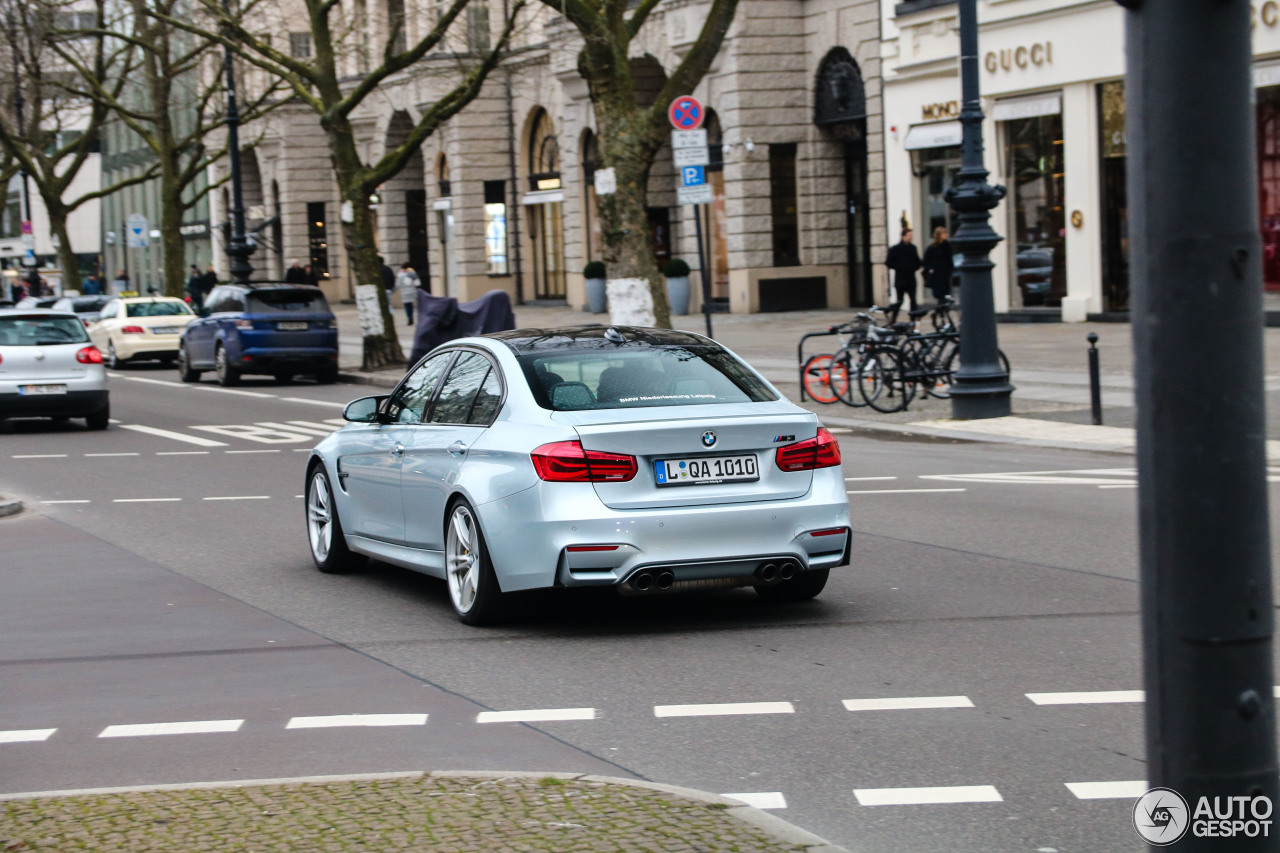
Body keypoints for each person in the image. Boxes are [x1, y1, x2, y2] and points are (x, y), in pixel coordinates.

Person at [884, 228, 922, 315]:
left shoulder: (913, 248)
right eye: (909, 235)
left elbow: (917, 262)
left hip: (911, 279)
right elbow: (889, 262)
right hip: (900, 279)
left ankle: (913, 319)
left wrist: (914, 267)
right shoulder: (895, 249)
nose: (911, 237)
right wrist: (900, 267)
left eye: (911, 235)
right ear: (903, 236)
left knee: (913, 300)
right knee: (900, 301)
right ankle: (893, 317)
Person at [922, 226, 955, 302]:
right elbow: (925, 260)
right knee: (939, 295)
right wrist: (930, 269)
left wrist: (951, 269)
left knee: (946, 294)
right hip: (936, 275)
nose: (946, 235)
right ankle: (940, 311)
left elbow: (949, 260)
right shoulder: (932, 248)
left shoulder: (947, 246)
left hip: (945, 274)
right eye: (944, 233)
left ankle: (941, 310)